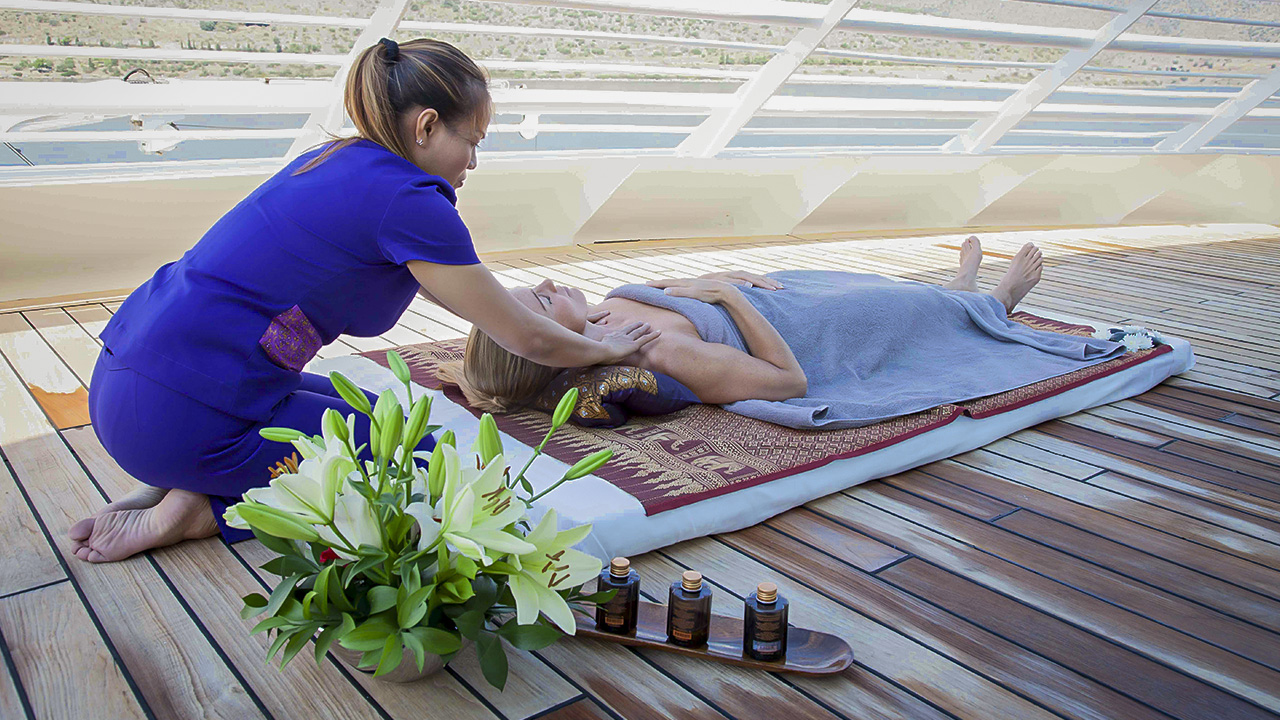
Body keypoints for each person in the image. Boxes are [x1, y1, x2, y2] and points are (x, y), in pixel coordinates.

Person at [69, 38, 658, 563]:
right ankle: (204, 508)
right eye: (471, 142)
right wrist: (599, 348)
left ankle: (180, 477)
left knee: (384, 419)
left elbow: (483, 301)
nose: (473, 162)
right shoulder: (411, 201)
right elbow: (523, 337)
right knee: (419, 466)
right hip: (180, 418)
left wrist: (569, 330)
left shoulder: (333, 160)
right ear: (426, 127)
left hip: (127, 381)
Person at [442, 237, 1065, 418]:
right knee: (882, 308)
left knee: (860, 282)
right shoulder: (663, 356)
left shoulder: (604, 315)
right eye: (544, 304)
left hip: (770, 294)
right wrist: (727, 296)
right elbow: (786, 382)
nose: (552, 286)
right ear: (549, 350)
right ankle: (997, 300)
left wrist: (719, 276)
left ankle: (954, 291)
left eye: (538, 288)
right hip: (802, 329)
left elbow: (673, 294)